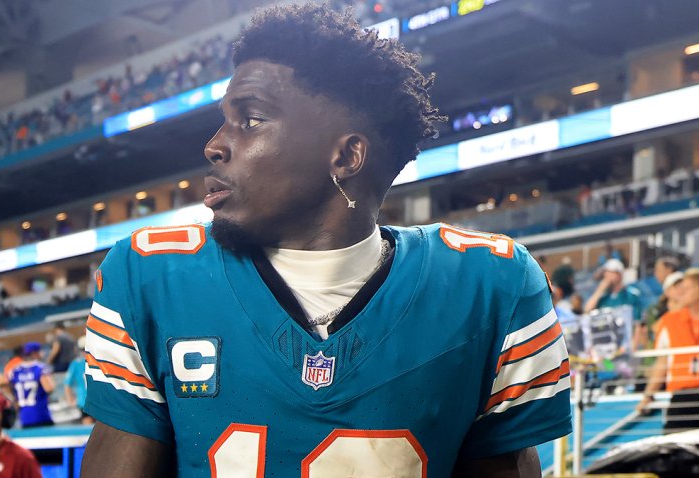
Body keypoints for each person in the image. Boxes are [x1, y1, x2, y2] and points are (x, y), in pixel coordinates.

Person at [81, 5, 570, 477]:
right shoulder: (149, 276)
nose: (215, 144)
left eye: (250, 119)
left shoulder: (490, 287)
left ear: (346, 156)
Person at [636, 268, 699, 433]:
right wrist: (648, 395)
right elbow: (662, 362)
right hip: (682, 396)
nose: (682, 292)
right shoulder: (669, 322)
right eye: (681, 288)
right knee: (674, 451)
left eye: (688, 288)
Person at [8, 341, 55, 428]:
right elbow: (49, 388)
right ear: (34, 353)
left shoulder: (15, 371)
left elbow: (9, 388)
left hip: (24, 417)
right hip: (41, 416)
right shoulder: (40, 368)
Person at [584, 258, 643, 322]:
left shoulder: (631, 295)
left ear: (619, 275)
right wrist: (600, 290)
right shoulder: (603, 298)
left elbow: (636, 319)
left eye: (611, 273)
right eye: (606, 273)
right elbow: (587, 311)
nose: (607, 276)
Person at [64, 336, 93, 424]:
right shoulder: (99, 362)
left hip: (84, 401)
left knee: (89, 431)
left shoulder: (76, 363)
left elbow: (67, 384)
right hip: (96, 401)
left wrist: (70, 400)